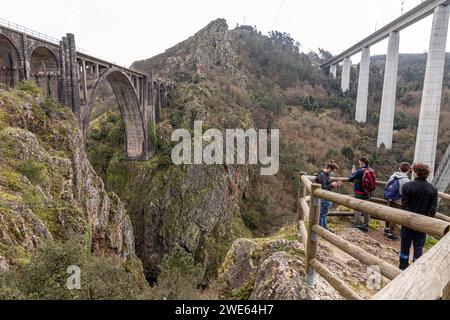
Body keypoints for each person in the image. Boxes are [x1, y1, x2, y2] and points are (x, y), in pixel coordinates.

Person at [399, 163, 438, 270]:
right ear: (427, 174)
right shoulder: (433, 189)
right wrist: (425, 220)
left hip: (407, 222)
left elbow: (405, 205)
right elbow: (433, 209)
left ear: (415, 172)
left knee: (404, 247)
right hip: (422, 224)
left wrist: (410, 219)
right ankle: (415, 270)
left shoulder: (407, 186)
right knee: (418, 247)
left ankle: (402, 267)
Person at [383, 162, 411, 241]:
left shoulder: (393, 175)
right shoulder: (406, 180)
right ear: (408, 170)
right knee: (394, 218)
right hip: (399, 201)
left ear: (399, 168)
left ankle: (386, 229)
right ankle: (390, 234)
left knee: (389, 214)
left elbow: (387, 185)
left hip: (390, 198)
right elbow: (405, 193)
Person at [348, 157, 376, 233]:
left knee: (357, 208)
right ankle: (366, 225)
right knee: (366, 208)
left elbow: (350, 178)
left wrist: (353, 172)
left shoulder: (360, 171)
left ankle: (357, 224)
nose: (359, 163)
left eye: (359, 162)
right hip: (368, 192)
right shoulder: (371, 170)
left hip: (359, 192)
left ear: (362, 163)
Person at [317, 161, 342, 231]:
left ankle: (325, 227)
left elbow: (328, 186)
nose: (333, 173)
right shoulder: (322, 175)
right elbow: (324, 188)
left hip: (327, 197)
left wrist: (335, 184)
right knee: (322, 214)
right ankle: (321, 229)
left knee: (324, 214)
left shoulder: (326, 175)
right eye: (333, 171)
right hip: (324, 197)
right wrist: (332, 184)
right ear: (329, 169)